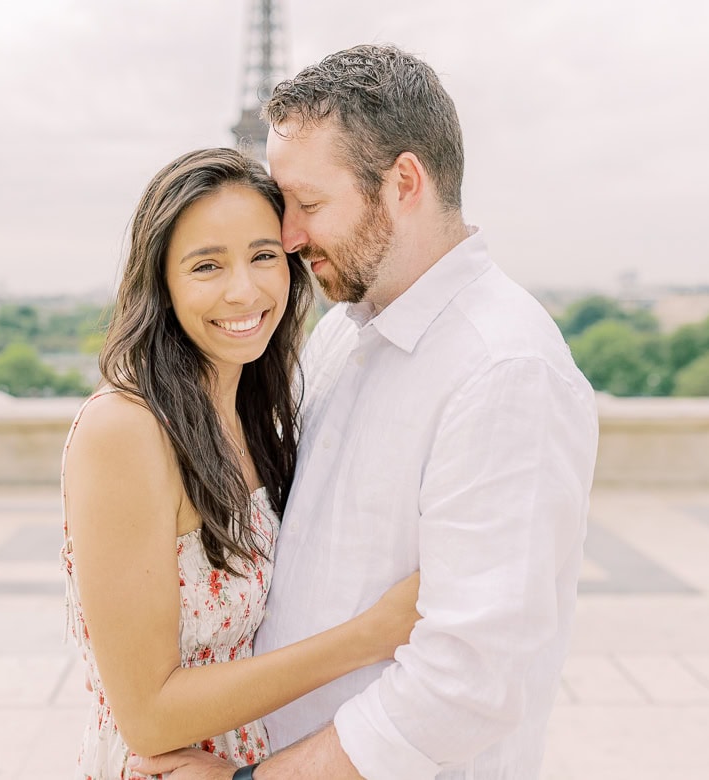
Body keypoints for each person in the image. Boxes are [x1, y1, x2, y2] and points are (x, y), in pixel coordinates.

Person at [132, 44, 599, 780]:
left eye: (310, 205)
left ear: (403, 182)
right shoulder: (344, 334)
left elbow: (468, 681)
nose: (287, 237)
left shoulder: (505, 371)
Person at [59, 147, 421, 779]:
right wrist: (371, 633)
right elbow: (148, 714)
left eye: (263, 256)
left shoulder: (254, 412)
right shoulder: (127, 430)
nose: (243, 290)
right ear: (162, 283)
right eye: (206, 265)